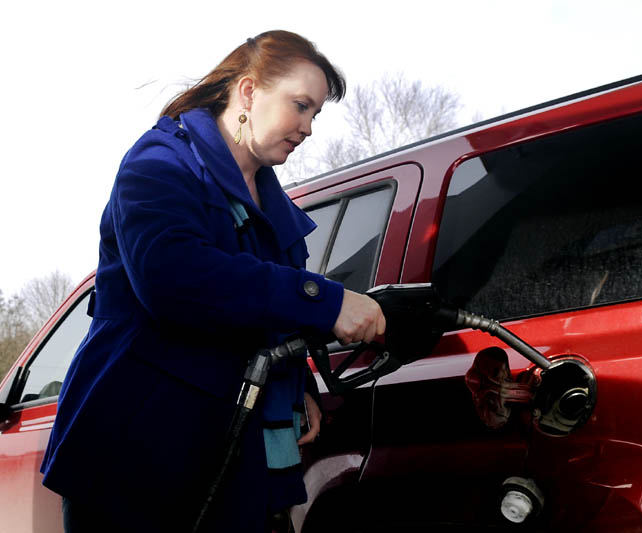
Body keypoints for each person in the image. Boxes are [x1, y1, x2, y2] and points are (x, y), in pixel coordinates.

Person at [40, 30, 385, 532]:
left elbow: (266, 314)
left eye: (316, 114)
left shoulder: (273, 204)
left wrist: (297, 386)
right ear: (249, 92)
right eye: (301, 105)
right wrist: (326, 301)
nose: (309, 127)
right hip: (137, 456)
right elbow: (173, 278)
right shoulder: (159, 162)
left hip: (229, 457)